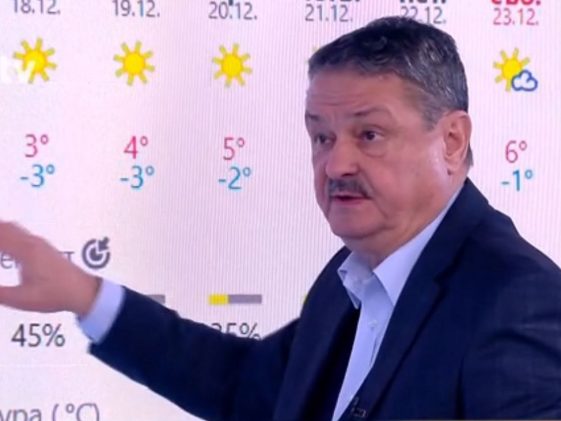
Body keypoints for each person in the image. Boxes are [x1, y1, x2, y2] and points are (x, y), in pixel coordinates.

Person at [1, 16, 561, 420]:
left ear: (452, 141)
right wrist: (85, 294)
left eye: (369, 134)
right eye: (322, 137)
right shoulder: (349, 279)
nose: (336, 164)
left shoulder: (517, 298)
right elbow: (249, 388)